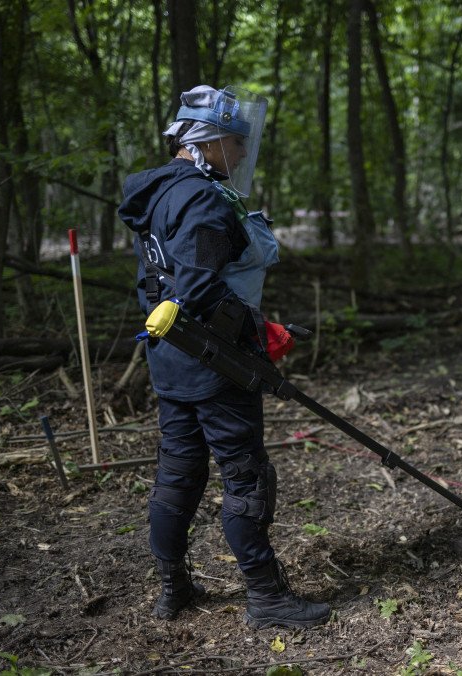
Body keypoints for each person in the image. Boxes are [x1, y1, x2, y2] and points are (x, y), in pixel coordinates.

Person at [118, 84, 330, 629]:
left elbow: (166, 282)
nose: (239, 153)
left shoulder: (162, 191)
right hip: (214, 361)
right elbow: (198, 289)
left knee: (179, 473)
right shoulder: (202, 200)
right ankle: (266, 598)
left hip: (169, 358)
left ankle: (175, 590)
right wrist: (262, 332)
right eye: (234, 143)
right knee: (246, 476)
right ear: (206, 141)